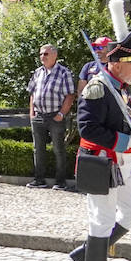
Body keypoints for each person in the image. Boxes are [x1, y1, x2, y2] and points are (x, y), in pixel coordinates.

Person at [71, 30, 131, 261]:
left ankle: (89, 251)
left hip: (121, 163)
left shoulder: (119, 88)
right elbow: (88, 129)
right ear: (115, 64)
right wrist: (126, 141)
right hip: (101, 162)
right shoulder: (98, 87)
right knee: (101, 219)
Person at [26, 44, 75, 190]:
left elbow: (70, 95)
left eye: (46, 54)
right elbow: (32, 93)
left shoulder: (64, 73)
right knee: (38, 149)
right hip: (39, 115)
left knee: (58, 150)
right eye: (41, 54)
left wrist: (61, 114)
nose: (42, 57)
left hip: (55, 116)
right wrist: (31, 112)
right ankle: (39, 179)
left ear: (54, 55)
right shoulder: (37, 72)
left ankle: (61, 182)